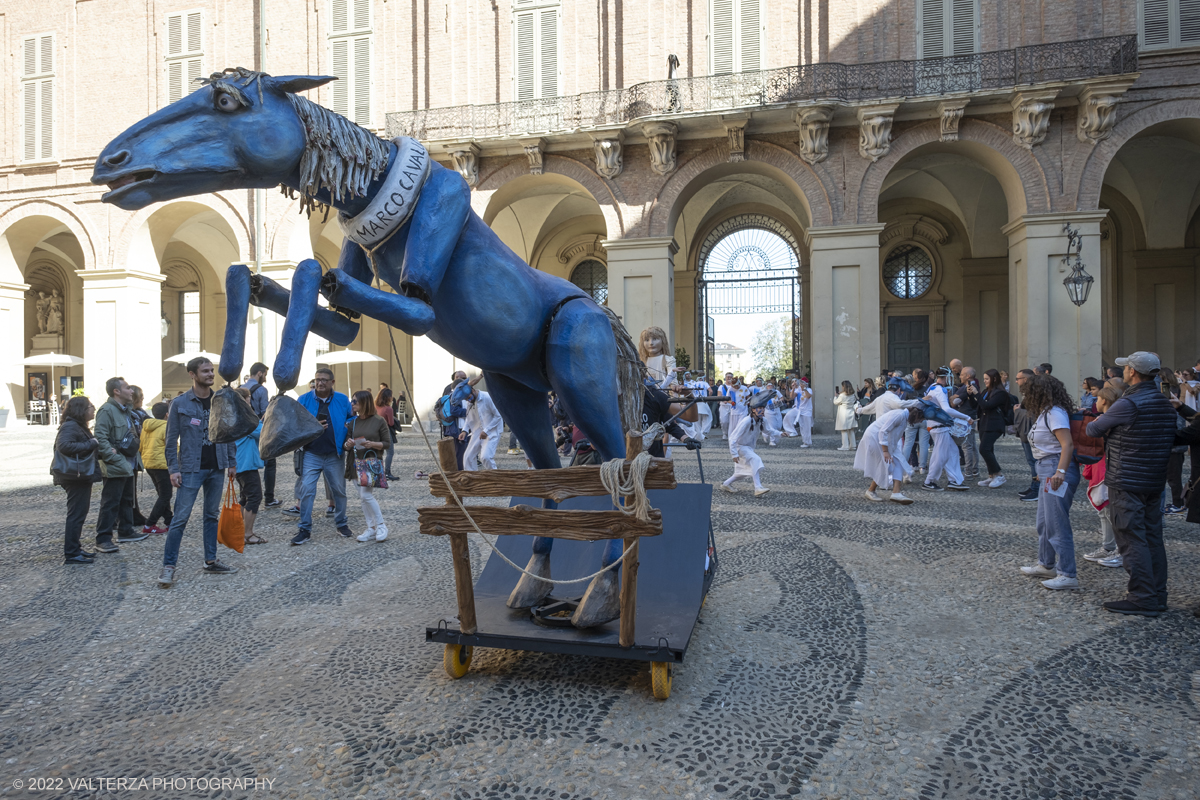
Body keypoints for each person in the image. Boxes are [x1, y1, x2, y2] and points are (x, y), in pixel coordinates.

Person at [1086, 352, 1177, 616]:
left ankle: (1142, 597)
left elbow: (1093, 429)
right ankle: (1158, 594)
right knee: (1152, 537)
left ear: (1133, 373)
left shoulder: (1129, 403)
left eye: (1126, 368)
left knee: (1130, 537)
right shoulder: (1162, 400)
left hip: (1127, 478)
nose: (1123, 371)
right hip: (1153, 478)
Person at [158, 357, 239, 587]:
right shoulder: (180, 403)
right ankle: (168, 566)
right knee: (180, 519)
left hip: (217, 467)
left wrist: (231, 462)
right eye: (205, 371)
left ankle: (211, 561)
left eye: (212, 371)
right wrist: (173, 469)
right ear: (192, 374)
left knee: (211, 515)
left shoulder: (220, 400)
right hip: (191, 469)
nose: (211, 374)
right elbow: (171, 439)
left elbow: (229, 433)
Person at [1017, 374, 1081, 590]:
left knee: (1057, 523)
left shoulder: (1054, 413)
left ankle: (1068, 574)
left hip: (1055, 468)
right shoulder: (1046, 412)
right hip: (1047, 467)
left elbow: (1067, 445)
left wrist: (1059, 471)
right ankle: (1046, 564)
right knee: (1044, 522)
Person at [291, 368, 354, 545]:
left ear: (332, 382)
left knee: (339, 491)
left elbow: (351, 419)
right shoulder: (303, 400)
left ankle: (341, 523)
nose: (320, 383)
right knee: (307, 490)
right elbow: (296, 424)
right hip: (311, 452)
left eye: (324, 380)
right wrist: (313, 425)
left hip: (335, 454)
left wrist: (345, 428)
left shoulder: (342, 399)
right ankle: (304, 529)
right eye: (318, 379)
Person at [94, 377, 146, 553]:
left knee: (126, 500)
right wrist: (112, 457)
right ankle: (103, 539)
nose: (131, 391)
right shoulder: (106, 410)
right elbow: (100, 437)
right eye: (127, 388)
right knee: (110, 502)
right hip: (117, 464)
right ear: (116, 391)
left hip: (128, 464)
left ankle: (126, 531)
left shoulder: (127, 411)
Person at [53, 396, 100, 564]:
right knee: (76, 515)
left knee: (79, 513)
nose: (93, 409)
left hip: (79, 476)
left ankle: (75, 548)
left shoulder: (77, 425)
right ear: (81, 410)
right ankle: (72, 553)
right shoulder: (71, 426)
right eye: (90, 406)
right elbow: (64, 446)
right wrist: (92, 443)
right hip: (74, 477)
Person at [1081, 385, 1123, 568]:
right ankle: (1107, 546)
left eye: (1097, 399)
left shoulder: (1112, 420)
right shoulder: (1105, 419)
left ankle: (1121, 550)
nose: (1095, 402)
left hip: (1111, 468)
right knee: (1104, 511)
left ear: (1104, 401)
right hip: (1102, 466)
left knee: (1113, 511)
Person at [345, 391, 391, 543]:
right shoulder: (354, 422)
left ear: (364, 403)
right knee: (363, 497)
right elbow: (345, 445)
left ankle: (381, 525)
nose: (352, 404)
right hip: (354, 463)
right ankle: (371, 528)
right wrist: (349, 444)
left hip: (370, 462)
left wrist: (372, 444)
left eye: (355, 401)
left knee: (366, 495)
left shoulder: (379, 421)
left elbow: (387, 443)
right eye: (352, 401)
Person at [856, 405, 922, 505]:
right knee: (884, 465)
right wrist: (885, 451)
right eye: (921, 419)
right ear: (916, 415)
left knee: (897, 463)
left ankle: (895, 492)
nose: (921, 422)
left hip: (881, 440)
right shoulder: (899, 415)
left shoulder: (903, 416)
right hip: (874, 439)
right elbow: (883, 431)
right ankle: (871, 491)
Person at [921, 367, 971, 492]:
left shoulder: (933, 387)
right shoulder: (939, 389)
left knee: (953, 451)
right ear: (946, 377)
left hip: (937, 426)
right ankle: (929, 481)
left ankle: (954, 480)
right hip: (939, 427)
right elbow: (947, 409)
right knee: (940, 455)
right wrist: (966, 417)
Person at [241, 362, 279, 508]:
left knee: (246, 464)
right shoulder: (261, 390)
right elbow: (265, 412)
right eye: (265, 375)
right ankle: (269, 498)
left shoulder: (241, 389)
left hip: (242, 432)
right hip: (258, 429)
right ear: (259, 373)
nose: (265, 378)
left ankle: (244, 497)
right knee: (270, 463)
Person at [232, 388, 267, 546]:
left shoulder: (232, 414)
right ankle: (248, 533)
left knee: (245, 497)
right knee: (255, 497)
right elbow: (261, 433)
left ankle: (241, 531)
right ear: (244, 399)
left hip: (239, 463)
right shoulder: (245, 416)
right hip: (246, 463)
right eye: (249, 398)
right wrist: (264, 421)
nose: (250, 400)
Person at [139, 401, 172, 534]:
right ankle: (150, 524)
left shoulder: (146, 427)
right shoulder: (166, 427)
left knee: (162, 495)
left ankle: (170, 521)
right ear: (167, 414)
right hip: (162, 464)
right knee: (165, 495)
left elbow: (141, 446)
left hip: (149, 463)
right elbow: (171, 447)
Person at [722, 405, 770, 497]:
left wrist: (780, 434)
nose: (762, 410)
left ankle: (725, 484)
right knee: (755, 459)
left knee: (741, 473)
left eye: (763, 408)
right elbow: (732, 437)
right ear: (753, 410)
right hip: (740, 447)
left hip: (748, 448)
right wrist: (734, 454)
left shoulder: (762, 420)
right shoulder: (746, 421)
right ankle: (758, 487)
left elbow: (768, 431)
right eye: (760, 408)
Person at [975, 369, 1011, 488]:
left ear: (994, 379)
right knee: (989, 449)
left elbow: (987, 406)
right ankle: (992, 475)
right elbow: (977, 406)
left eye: (986, 379)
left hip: (994, 424)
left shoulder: (1000, 393)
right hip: (984, 423)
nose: (984, 381)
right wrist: (971, 396)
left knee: (984, 449)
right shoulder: (986, 391)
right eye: (984, 378)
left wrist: (976, 394)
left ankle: (999, 475)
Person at [1012, 369, 1041, 501]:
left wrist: (1018, 410)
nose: (1016, 381)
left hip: (1032, 430)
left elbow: (1033, 413)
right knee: (1031, 461)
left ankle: (1037, 489)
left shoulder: (1035, 393)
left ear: (1026, 379)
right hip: (1028, 431)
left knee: (1034, 461)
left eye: (1018, 379)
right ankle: (1034, 486)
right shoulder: (1028, 393)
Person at [462, 384, 504, 470]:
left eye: (469, 397)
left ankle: (495, 478)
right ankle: (472, 479)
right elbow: (468, 417)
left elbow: (498, 416)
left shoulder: (488, 397)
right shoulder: (469, 401)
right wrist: (464, 430)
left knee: (486, 457)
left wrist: (486, 431)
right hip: (477, 430)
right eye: (466, 399)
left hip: (492, 430)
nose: (468, 400)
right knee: (467, 457)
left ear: (473, 391)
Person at [950, 367, 981, 481]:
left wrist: (953, 398)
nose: (960, 376)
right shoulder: (970, 386)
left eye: (962, 374)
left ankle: (968, 472)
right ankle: (974, 470)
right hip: (970, 417)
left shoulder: (967, 387)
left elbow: (953, 403)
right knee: (972, 446)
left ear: (968, 376)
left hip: (966, 419)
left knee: (967, 446)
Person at [375, 387, 399, 480]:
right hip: (385, 431)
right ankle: (387, 472)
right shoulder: (388, 408)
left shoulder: (375, 406)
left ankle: (378, 471)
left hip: (376, 431)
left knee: (378, 452)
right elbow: (391, 423)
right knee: (390, 452)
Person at [833, 381, 858, 451]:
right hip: (851, 412)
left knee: (844, 430)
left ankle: (845, 446)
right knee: (851, 429)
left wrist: (835, 396)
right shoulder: (852, 394)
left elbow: (836, 402)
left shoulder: (842, 395)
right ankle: (853, 445)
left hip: (843, 413)